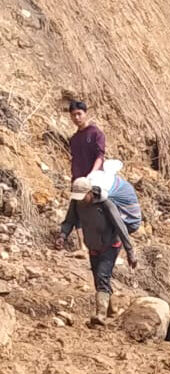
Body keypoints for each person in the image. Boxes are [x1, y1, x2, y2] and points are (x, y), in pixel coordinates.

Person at [56, 178, 137, 325]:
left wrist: (130, 251)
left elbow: (120, 227)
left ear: (90, 192)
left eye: (83, 197)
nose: (80, 200)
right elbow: (69, 221)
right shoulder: (76, 203)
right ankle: (112, 310)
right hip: (93, 246)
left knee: (102, 276)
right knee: (98, 280)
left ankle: (100, 315)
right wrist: (63, 236)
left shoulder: (105, 204)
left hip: (111, 245)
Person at [69, 100, 107, 250]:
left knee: (100, 210)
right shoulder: (74, 139)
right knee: (77, 210)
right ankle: (82, 246)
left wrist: (93, 173)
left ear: (86, 114)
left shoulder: (96, 133)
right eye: (73, 115)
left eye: (79, 114)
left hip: (94, 178)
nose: (77, 118)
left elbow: (100, 156)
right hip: (78, 179)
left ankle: (103, 243)